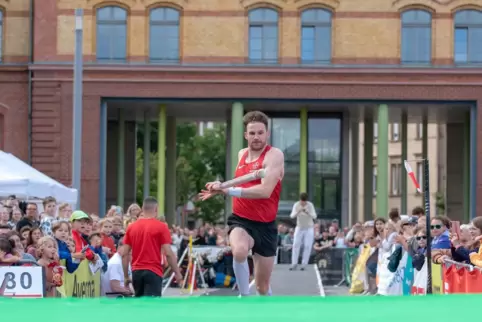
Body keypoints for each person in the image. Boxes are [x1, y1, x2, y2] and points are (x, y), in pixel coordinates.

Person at [199, 111, 284, 296]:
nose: (256, 137)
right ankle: (243, 297)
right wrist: (220, 186)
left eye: (260, 133)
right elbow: (241, 180)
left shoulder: (274, 156)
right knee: (239, 251)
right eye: (252, 133)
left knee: (262, 287)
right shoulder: (242, 154)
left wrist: (229, 191)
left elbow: (265, 191)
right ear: (246, 135)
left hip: (266, 225)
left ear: (267, 134)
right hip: (241, 220)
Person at [122, 196, 182, 297]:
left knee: (139, 306)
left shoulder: (131, 227)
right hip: (153, 271)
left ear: (142, 208)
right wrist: (177, 272)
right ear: (156, 209)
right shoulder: (162, 226)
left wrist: (126, 276)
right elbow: (168, 253)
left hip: (136, 271)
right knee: (152, 307)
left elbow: (124, 254)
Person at [289, 192, 316, 271]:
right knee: (296, 244)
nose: (303, 203)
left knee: (307, 246)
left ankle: (304, 264)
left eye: (304, 202)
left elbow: (314, 216)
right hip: (299, 227)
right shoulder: (296, 205)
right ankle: (294, 263)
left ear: (306, 201)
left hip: (309, 227)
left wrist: (308, 212)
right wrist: (299, 211)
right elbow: (292, 216)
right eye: (302, 201)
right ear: (300, 200)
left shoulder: (310, 205)